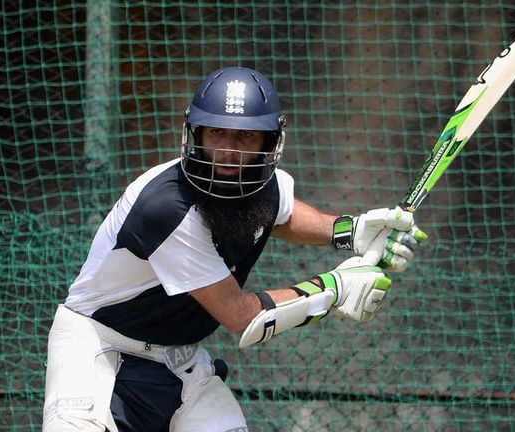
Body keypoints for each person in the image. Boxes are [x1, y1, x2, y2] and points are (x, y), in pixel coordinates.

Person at [42, 66, 427, 432]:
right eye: (217, 133)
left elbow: (285, 215)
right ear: (197, 133)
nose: (229, 152)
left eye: (245, 137)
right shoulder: (167, 208)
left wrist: (352, 230)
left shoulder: (261, 183)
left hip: (178, 359)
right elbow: (241, 317)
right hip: (99, 350)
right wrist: (336, 289)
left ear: (269, 141)